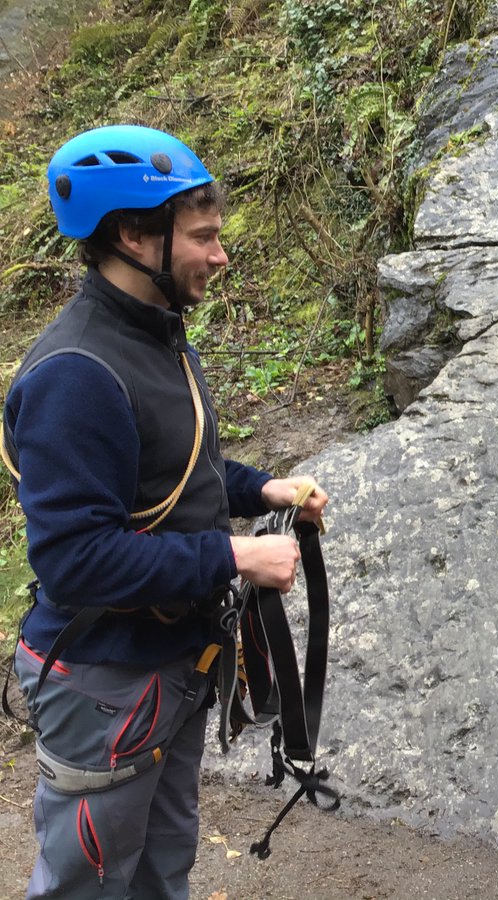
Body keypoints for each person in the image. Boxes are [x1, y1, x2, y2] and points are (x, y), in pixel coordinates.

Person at [2, 124, 329, 899]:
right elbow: (75, 559)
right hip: (104, 682)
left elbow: (181, 471)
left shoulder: (155, 336)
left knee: (161, 869)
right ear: (132, 235)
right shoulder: (75, 374)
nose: (221, 255)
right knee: (87, 886)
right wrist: (237, 556)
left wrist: (265, 492)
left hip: (172, 667)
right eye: (204, 236)